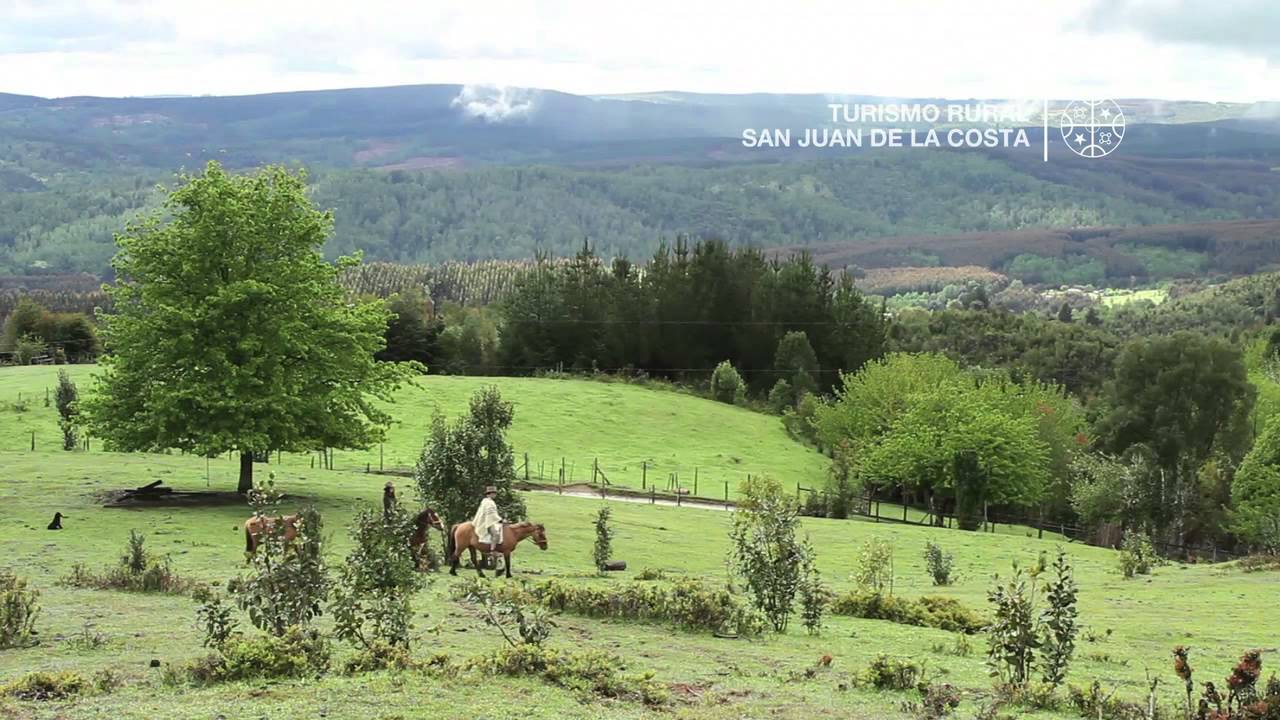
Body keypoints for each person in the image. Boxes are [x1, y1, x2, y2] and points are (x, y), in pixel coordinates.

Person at [472, 486, 503, 567]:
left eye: (495, 493)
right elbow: (491, 515)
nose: (495, 495)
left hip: (489, 521)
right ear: (489, 494)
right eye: (493, 493)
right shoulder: (489, 502)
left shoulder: (487, 501)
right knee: (496, 534)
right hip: (486, 522)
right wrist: (500, 520)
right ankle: (492, 550)